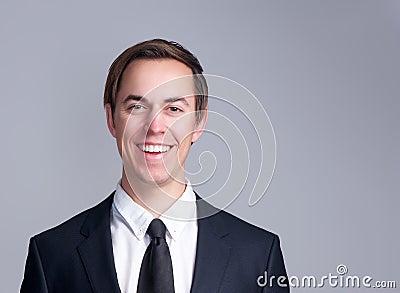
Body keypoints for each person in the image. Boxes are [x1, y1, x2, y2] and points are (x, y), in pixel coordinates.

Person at [21, 39, 289, 292]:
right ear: (112, 120)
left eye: (174, 109)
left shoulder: (258, 255)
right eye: (137, 107)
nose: (155, 127)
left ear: (199, 123)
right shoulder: (52, 256)